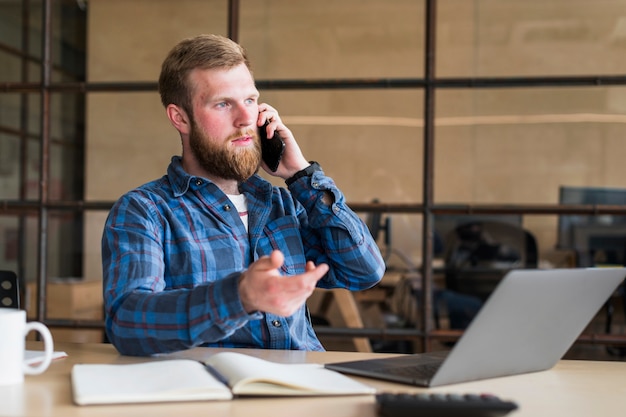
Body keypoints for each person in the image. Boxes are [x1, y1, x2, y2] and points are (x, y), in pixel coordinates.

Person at [101, 34, 385, 356]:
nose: (245, 119)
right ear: (180, 118)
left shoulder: (283, 204)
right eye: (223, 104)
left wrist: (301, 175)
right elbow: (127, 321)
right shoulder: (144, 211)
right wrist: (240, 297)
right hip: (211, 394)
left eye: (250, 101)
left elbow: (364, 271)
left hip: (300, 391)